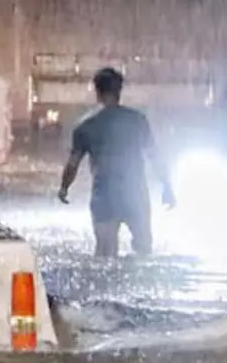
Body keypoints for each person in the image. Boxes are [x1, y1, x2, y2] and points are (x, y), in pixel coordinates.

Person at [58, 68, 175, 257]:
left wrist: (64, 188)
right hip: (135, 194)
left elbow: (73, 164)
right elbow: (154, 156)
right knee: (144, 251)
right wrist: (167, 186)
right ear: (120, 91)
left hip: (105, 196)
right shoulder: (137, 120)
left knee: (105, 254)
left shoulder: (86, 125)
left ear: (97, 92)